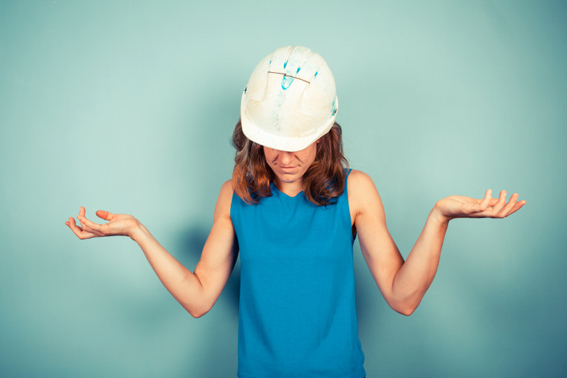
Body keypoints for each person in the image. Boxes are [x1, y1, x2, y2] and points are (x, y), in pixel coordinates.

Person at [65, 46, 526, 378]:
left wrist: (438, 218)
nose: (284, 157)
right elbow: (199, 298)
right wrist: (138, 233)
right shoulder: (235, 195)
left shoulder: (355, 190)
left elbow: (403, 298)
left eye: (297, 143)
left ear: (324, 135)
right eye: (271, 143)